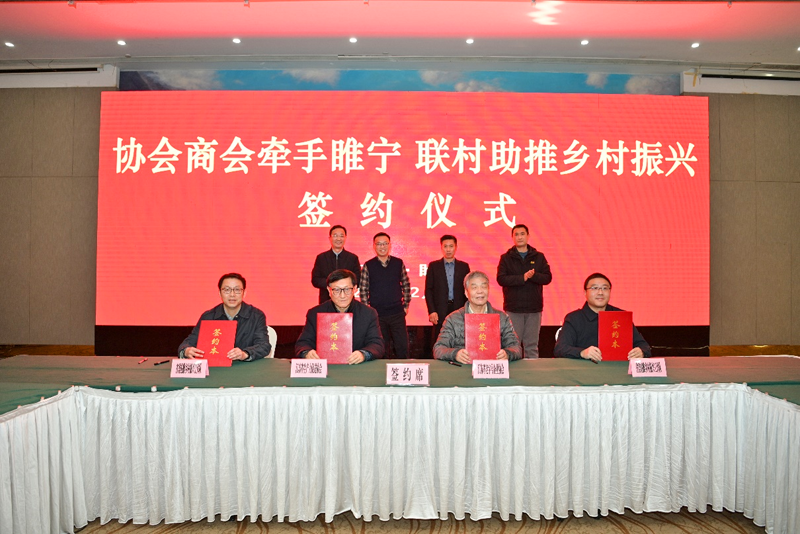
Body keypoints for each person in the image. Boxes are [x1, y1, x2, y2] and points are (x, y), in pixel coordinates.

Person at [554, 272, 651, 362]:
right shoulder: (574, 318)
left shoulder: (621, 316)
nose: (600, 292)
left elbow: (644, 345)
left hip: (617, 370)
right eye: (594, 288)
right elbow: (560, 349)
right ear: (585, 292)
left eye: (605, 288)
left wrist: (641, 351)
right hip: (584, 371)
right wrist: (582, 353)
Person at [295, 269, 385, 364]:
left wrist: (363, 354)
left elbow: (377, 344)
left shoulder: (368, 313)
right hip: (327, 367)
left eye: (347, 289)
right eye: (337, 290)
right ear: (329, 290)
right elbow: (302, 343)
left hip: (356, 367)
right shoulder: (315, 313)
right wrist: (307, 353)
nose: (342, 296)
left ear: (355, 289)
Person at [434, 270, 522, 364]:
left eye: (483, 287)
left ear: (488, 290)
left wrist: (507, 354)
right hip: (463, 368)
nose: (480, 291)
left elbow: (516, 348)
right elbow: (438, 349)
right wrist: (455, 354)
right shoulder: (453, 319)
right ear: (466, 293)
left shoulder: (502, 318)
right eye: (474, 287)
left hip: (491, 369)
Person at [178, 273, 271, 361]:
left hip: (245, 367)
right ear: (220, 293)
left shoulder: (256, 316)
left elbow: (264, 345)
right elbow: (190, 341)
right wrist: (186, 350)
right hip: (216, 368)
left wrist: (245, 354)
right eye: (227, 290)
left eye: (237, 290)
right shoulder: (208, 317)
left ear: (244, 293)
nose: (232, 294)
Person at [496, 224, 552, 359]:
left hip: (534, 308)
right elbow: (501, 279)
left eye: (522, 234)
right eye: (516, 234)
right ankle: (513, 370)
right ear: (512, 237)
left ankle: (533, 371)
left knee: (531, 345)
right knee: (513, 345)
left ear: (528, 236)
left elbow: (547, 278)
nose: (519, 237)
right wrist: (522, 278)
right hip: (514, 308)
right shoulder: (506, 258)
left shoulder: (539, 257)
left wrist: (534, 276)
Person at [359, 232, 411, 358]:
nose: (382, 246)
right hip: (378, 314)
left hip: (397, 313)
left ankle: (404, 369)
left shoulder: (398, 263)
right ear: (374, 246)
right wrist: (368, 310)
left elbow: (406, 284)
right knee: (381, 348)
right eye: (379, 244)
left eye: (385, 244)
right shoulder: (368, 265)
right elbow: (363, 289)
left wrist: (405, 305)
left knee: (402, 346)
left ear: (389, 245)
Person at [425, 234, 470, 345]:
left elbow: (468, 290)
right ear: (441, 247)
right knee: (439, 340)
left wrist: (468, 310)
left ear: (456, 247)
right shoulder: (434, 266)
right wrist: (432, 311)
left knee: (459, 338)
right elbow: (428, 290)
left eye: (451, 246)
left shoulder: (464, 267)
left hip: (459, 308)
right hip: (440, 309)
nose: (448, 249)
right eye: (445, 246)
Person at [311, 225, 361, 305]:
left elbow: (357, 280)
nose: (338, 239)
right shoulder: (321, 258)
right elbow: (315, 280)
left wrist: (343, 286)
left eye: (341, 236)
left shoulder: (352, 258)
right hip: (326, 301)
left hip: (347, 301)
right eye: (335, 236)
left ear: (345, 238)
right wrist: (332, 285)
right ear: (330, 238)